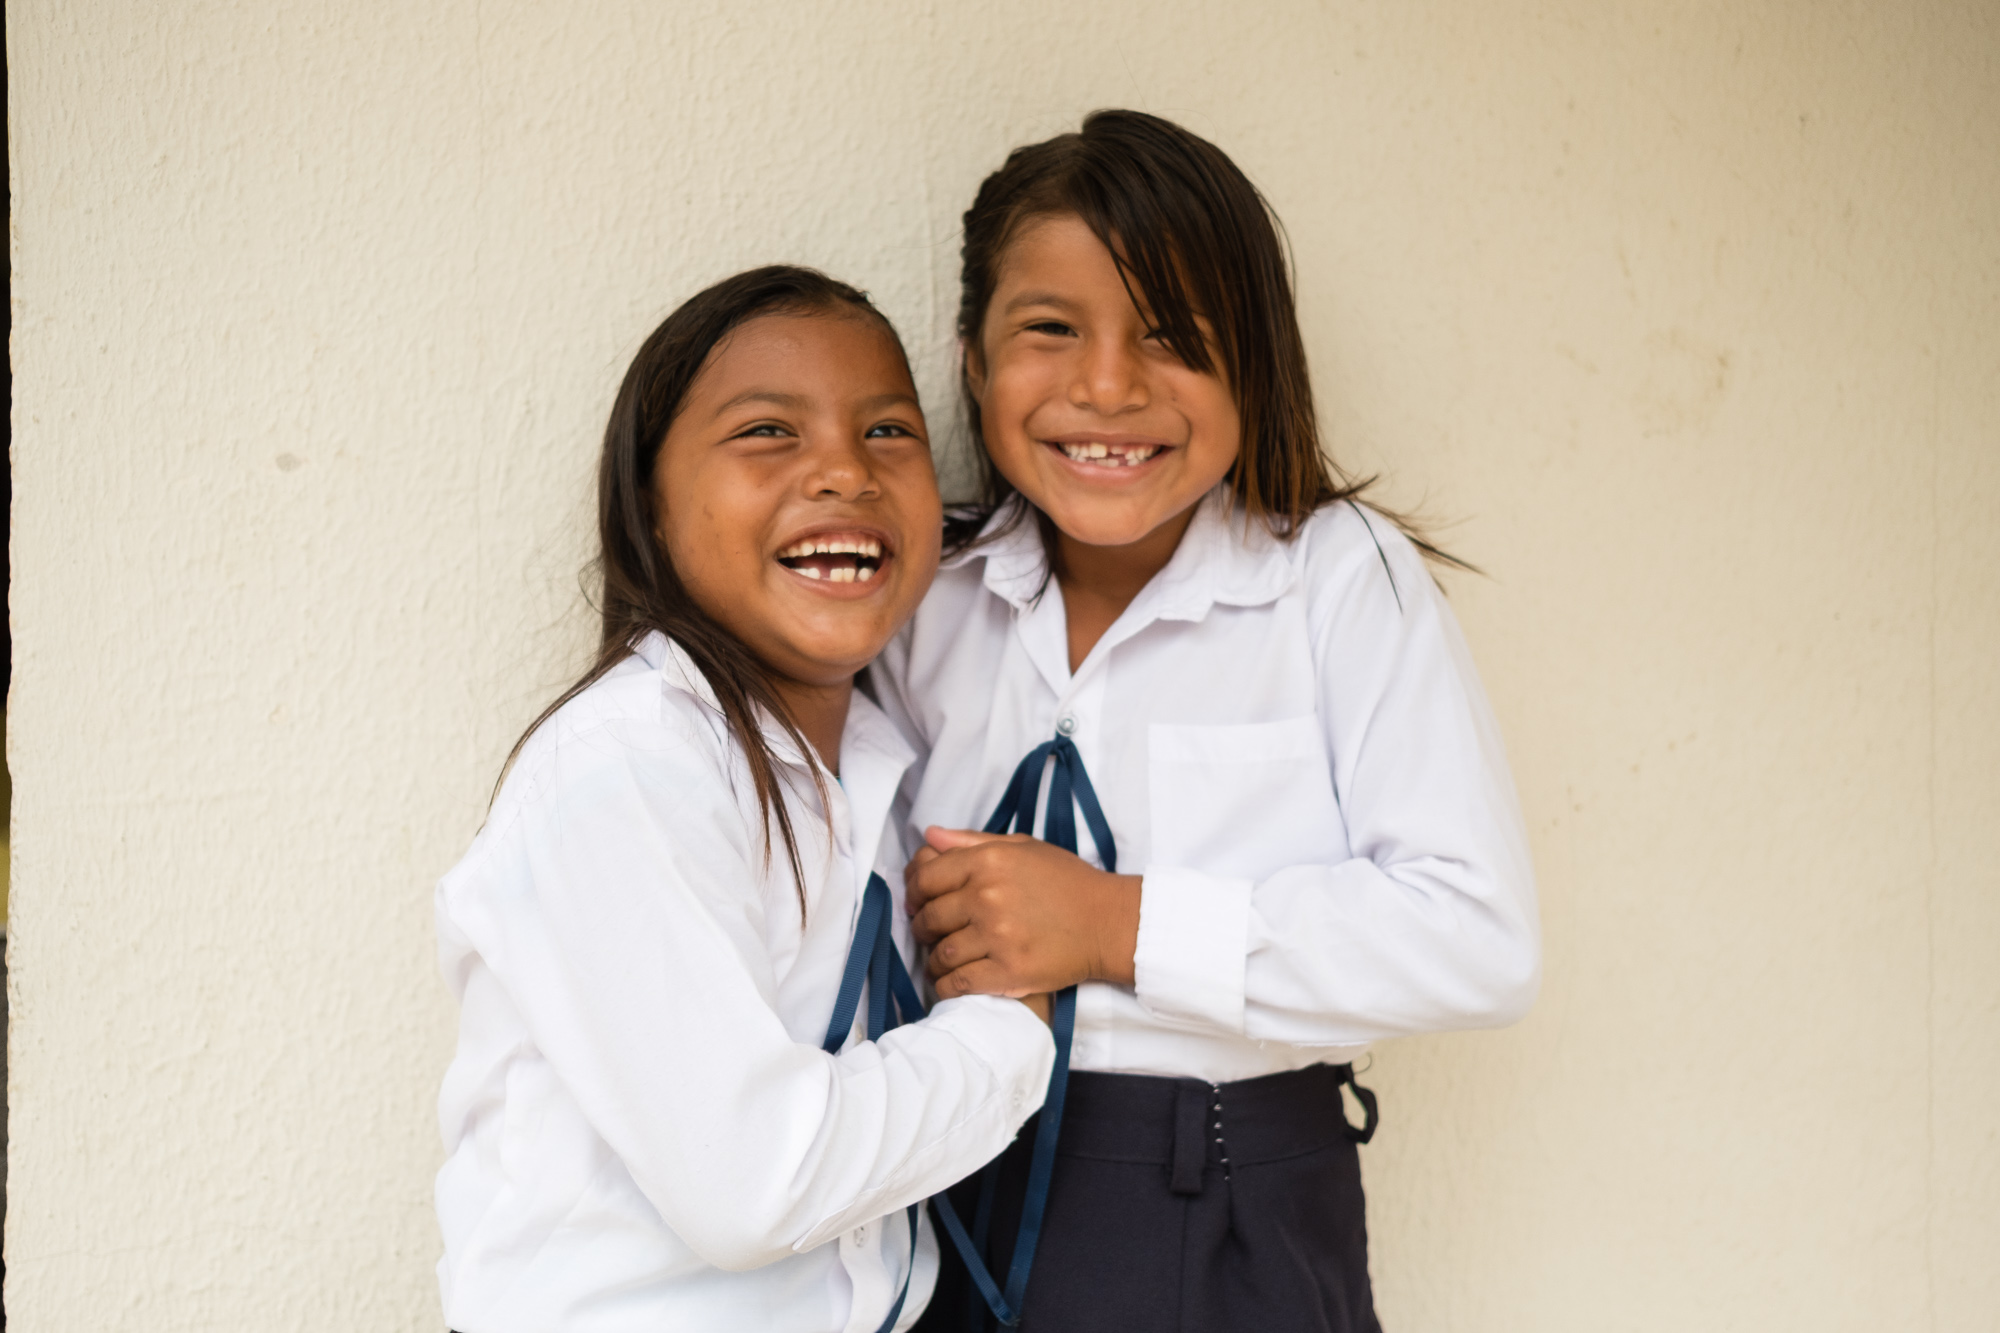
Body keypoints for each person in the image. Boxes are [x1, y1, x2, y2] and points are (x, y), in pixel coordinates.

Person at [876, 112, 1542, 1332]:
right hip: (942, 1183)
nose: (1108, 387)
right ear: (972, 361)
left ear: (1258, 365)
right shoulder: (925, 593)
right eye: (1050, 331)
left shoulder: (1338, 581)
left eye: (1174, 337)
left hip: (1227, 1195)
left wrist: (1114, 925)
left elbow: (1475, 932)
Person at [434, 266, 1056, 1333]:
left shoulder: (868, 761)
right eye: (768, 430)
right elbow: (751, 1181)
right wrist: (1004, 1032)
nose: (843, 472)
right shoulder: (627, 766)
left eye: (888, 431)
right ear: (651, 505)